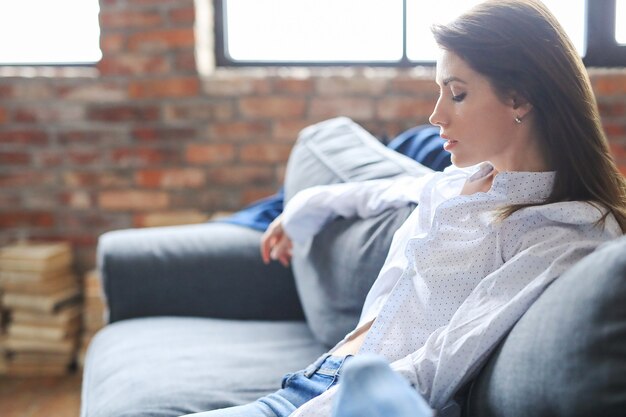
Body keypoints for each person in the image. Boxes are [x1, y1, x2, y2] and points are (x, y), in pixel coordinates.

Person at [182, 1, 626, 416]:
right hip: (311, 381)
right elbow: (382, 191)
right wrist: (303, 208)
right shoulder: (459, 180)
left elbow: (444, 359)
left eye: (456, 94)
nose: (435, 115)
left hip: (350, 400)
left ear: (520, 98)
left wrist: (316, 411)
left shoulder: (561, 230)